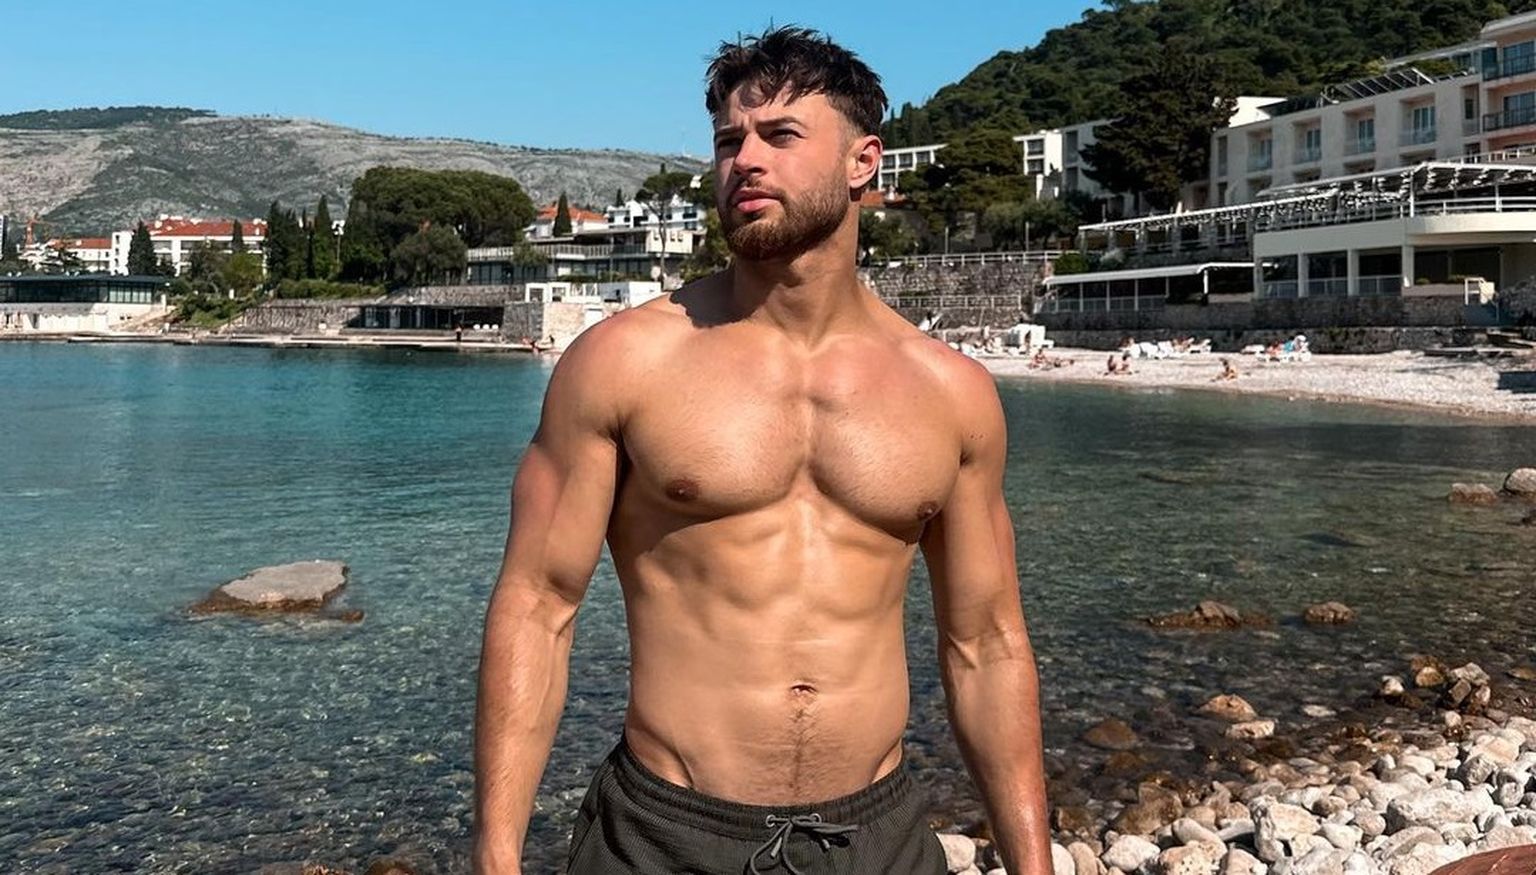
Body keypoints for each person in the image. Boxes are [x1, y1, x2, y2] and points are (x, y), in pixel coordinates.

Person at [474, 26, 1051, 875]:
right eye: (727, 141)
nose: (744, 160)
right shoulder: (623, 363)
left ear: (863, 163)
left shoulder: (950, 393)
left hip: (878, 840)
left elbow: (987, 644)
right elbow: (537, 605)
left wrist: (1034, 864)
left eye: (780, 135)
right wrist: (496, 854)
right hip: (663, 837)